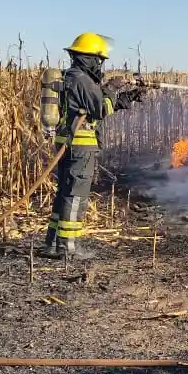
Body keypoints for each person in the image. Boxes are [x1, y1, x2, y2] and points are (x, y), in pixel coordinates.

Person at [43, 33, 143, 260]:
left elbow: (94, 108)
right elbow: (99, 108)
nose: (100, 65)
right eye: (99, 60)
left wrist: (126, 98)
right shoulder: (82, 79)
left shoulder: (72, 77)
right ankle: (68, 246)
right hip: (80, 146)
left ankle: (52, 243)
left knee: (65, 193)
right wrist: (111, 87)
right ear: (90, 58)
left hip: (67, 144)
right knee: (76, 194)